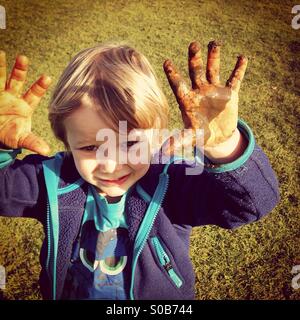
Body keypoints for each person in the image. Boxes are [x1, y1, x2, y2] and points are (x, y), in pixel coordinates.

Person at [0, 41, 280, 300]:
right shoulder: (52, 178)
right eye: (89, 147)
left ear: (157, 135)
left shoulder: (172, 181)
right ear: (66, 141)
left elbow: (252, 203)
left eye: (130, 143)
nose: (110, 164)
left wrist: (224, 145)